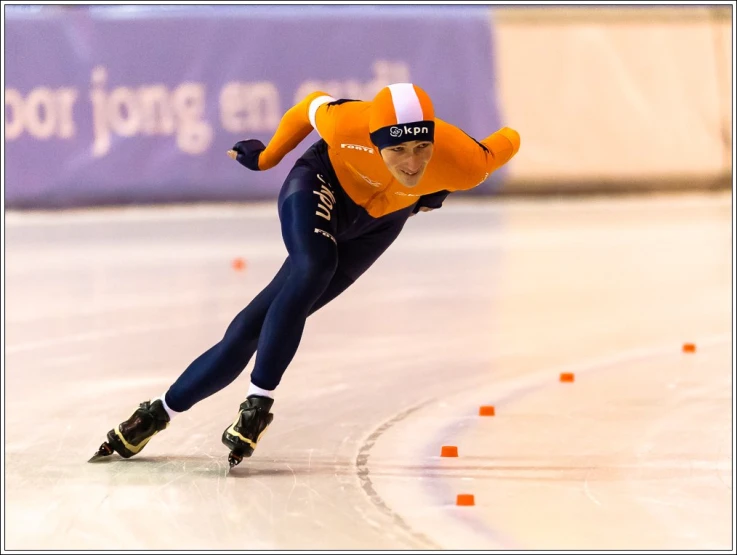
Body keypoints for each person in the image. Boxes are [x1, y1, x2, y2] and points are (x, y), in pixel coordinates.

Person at [90, 83, 520, 467]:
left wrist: (435, 185)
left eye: (421, 149)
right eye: (397, 150)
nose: (411, 164)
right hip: (322, 183)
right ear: (373, 140)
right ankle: (258, 406)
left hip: (380, 224)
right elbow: (306, 109)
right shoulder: (348, 122)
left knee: (252, 327)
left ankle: (155, 414)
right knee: (315, 265)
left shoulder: (465, 161)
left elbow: (509, 140)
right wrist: (266, 158)